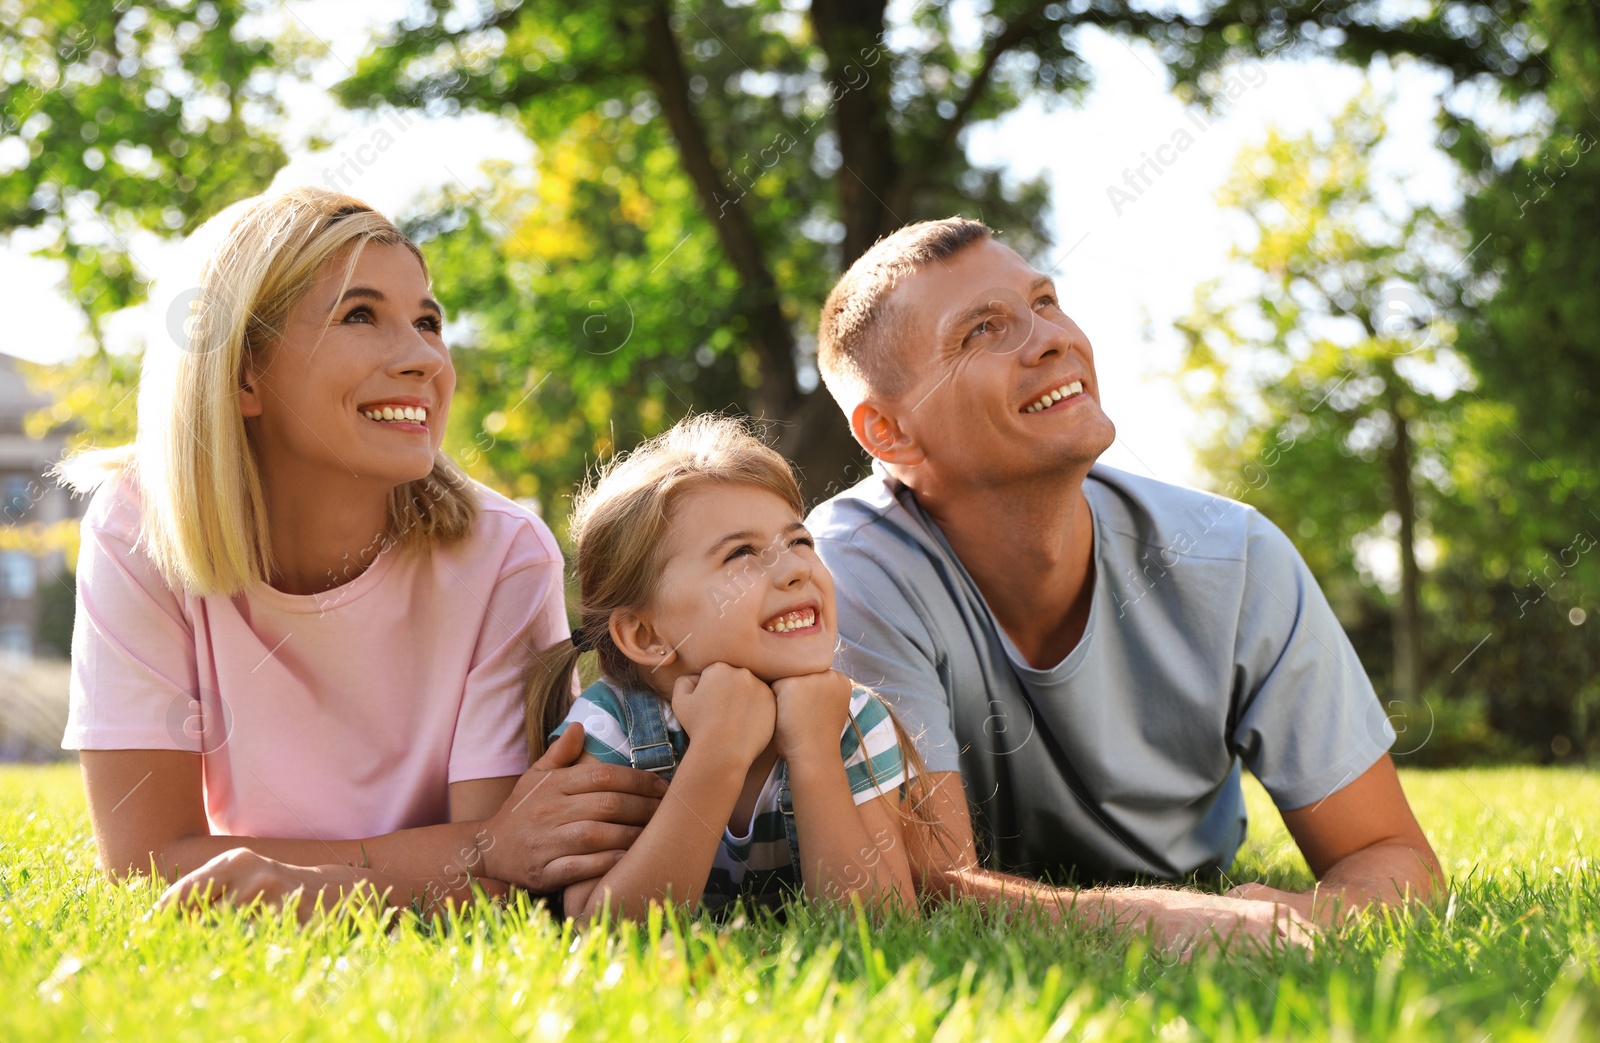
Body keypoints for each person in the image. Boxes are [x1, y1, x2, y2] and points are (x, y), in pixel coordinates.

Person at [806, 217, 1441, 944]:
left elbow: (1390, 856)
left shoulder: (1234, 560)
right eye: (982, 330)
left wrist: (1316, 915)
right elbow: (932, 889)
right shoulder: (847, 572)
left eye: (1044, 302)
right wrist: (1183, 920)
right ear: (888, 433)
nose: (1051, 337)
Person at [60, 187, 666, 919]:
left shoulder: (505, 555)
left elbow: (514, 872)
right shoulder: (135, 528)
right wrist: (460, 855)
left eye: (428, 321)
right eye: (360, 314)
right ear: (244, 374)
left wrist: (299, 886)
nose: (422, 359)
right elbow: (146, 863)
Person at [523, 415, 927, 921]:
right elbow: (603, 933)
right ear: (646, 635)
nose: (797, 568)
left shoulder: (849, 718)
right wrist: (719, 753)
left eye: (799, 542)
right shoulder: (609, 729)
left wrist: (815, 753)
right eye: (742, 554)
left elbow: (883, 928)